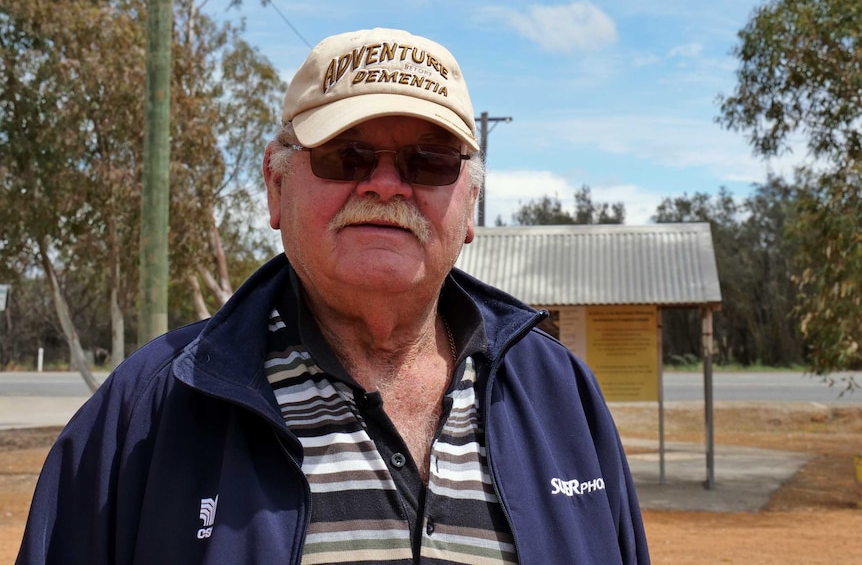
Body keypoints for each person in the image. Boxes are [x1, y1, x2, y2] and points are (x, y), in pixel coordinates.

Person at [16, 28, 650, 564]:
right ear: (275, 186)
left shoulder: (561, 397)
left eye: (428, 161)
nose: (384, 185)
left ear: (471, 204)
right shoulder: (148, 410)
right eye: (346, 156)